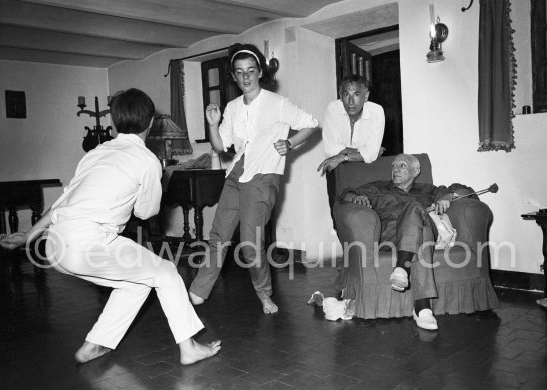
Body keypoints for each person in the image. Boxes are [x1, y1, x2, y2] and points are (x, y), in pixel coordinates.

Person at [0, 88, 221, 364]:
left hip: (55, 244)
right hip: (89, 243)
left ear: (115, 122)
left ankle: (96, 344)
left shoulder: (95, 153)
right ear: (150, 122)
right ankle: (189, 348)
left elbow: (64, 202)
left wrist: (29, 235)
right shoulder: (148, 161)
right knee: (166, 271)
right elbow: (147, 211)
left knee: (136, 283)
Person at [188, 43, 319, 314]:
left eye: (250, 70)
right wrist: (212, 125)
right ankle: (200, 290)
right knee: (218, 235)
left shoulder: (277, 103)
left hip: (263, 176)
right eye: (239, 72)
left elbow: (311, 123)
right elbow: (220, 146)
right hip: (237, 173)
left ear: (260, 72)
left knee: (250, 243)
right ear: (234, 77)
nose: (245, 77)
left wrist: (291, 144)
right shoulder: (233, 107)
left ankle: (264, 293)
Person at [334, 154, 468, 330]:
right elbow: (345, 194)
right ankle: (422, 308)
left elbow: (465, 190)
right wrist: (355, 198)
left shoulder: (429, 190)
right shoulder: (378, 188)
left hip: (421, 236)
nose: (395, 169)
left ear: (416, 171)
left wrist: (449, 196)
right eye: (394, 166)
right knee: (423, 229)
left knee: (417, 213)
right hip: (389, 238)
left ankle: (402, 270)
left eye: (402, 166)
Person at [317, 75, 385, 226]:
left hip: (363, 168)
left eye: (356, 94)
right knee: (339, 217)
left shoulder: (376, 112)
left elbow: (371, 154)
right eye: (346, 95)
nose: (350, 101)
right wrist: (364, 152)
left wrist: (344, 156)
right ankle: (348, 249)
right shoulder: (333, 109)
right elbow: (332, 149)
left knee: (367, 214)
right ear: (341, 96)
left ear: (366, 95)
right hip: (336, 167)